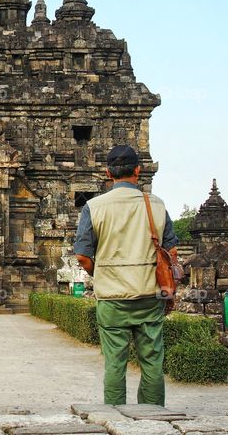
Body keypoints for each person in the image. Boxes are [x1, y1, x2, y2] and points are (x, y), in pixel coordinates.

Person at [73, 144, 179, 406]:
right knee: (153, 361)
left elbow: (82, 256)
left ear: (108, 173)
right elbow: (172, 252)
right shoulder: (155, 204)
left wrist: (101, 274)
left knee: (114, 363)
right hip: (148, 295)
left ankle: (115, 418)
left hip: (112, 297)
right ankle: (154, 418)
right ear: (138, 170)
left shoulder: (94, 206)